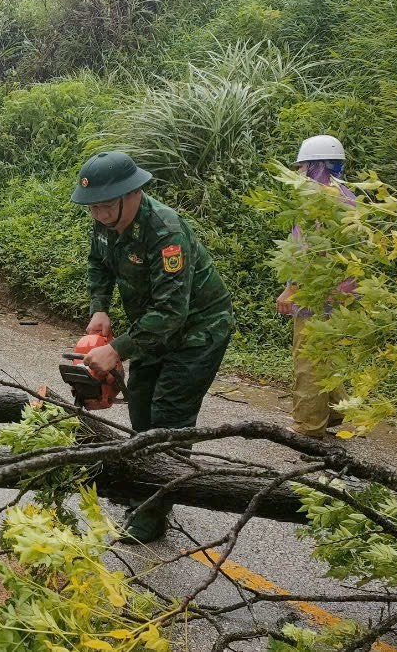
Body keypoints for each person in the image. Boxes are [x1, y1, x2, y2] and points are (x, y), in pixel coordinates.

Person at [72, 150, 234, 543]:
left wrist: (117, 349)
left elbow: (172, 312)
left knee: (168, 418)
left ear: (133, 194)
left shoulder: (166, 232)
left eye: (106, 206)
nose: (99, 215)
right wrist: (100, 308)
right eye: (92, 208)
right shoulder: (103, 221)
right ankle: (145, 488)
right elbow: (98, 263)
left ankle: (154, 512)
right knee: (141, 411)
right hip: (151, 329)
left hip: (198, 332)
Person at [276, 135, 355, 439]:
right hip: (342, 294)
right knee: (325, 354)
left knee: (308, 359)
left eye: (304, 166)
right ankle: (333, 413)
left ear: (316, 166)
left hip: (315, 293)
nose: (300, 172)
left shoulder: (316, 201)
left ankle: (308, 426)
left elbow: (309, 252)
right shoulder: (347, 196)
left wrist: (291, 288)